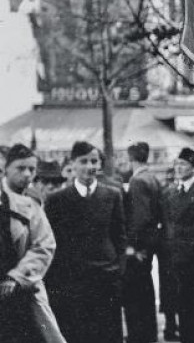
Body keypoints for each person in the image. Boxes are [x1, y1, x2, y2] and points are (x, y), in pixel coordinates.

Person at [45, 141, 127, 343]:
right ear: (72, 164)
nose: (90, 167)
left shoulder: (112, 195)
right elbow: (51, 241)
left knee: (107, 333)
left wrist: (118, 269)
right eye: (84, 161)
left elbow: (120, 236)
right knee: (76, 332)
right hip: (72, 281)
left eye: (94, 161)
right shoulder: (57, 199)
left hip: (105, 277)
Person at [0, 144, 64, 343]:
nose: (27, 174)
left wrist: (17, 277)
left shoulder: (31, 204)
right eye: (20, 168)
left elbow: (44, 245)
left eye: (31, 169)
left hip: (21, 289)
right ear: (6, 168)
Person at [161, 148, 194, 343]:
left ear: (193, 167)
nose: (179, 168)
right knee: (181, 304)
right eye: (177, 164)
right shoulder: (170, 192)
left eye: (183, 164)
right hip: (176, 259)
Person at [124, 142, 163, 343]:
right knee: (145, 289)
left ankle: (140, 336)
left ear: (130, 158)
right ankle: (148, 334)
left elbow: (139, 217)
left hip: (139, 245)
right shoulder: (153, 178)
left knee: (136, 292)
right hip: (151, 240)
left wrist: (131, 246)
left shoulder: (137, 181)